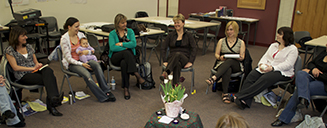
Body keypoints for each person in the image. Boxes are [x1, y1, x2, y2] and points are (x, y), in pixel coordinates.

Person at [230, 27, 298, 110]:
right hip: (267, 68)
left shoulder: (293, 49)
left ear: (286, 36)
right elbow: (265, 57)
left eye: (280, 34)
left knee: (264, 78)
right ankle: (244, 101)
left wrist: (272, 68)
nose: (277, 35)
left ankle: (239, 96)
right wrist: (261, 64)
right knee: (252, 75)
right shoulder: (274, 45)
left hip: (282, 72)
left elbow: (288, 64)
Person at [5, 26, 63, 116]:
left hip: (34, 71)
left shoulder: (28, 47)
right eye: (23, 36)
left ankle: (53, 99)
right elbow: (15, 67)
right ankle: (52, 103)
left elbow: (35, 61)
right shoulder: (10, 50)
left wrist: (37, 65)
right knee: (49, 79)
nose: (26, 37)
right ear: (16, 37)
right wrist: (31, 69)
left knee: (48, 71)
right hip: (22, 75)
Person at [61, 17, 116, 102]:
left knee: (97, 65)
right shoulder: (64, 39)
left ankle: (106, 91)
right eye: (76, 26)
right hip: (73, 64)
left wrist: (88, 52)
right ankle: (102, 97)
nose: (78, 28)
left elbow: (90, 49)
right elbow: (68, 59)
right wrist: (82, 64)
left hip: (84, 59)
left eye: (78, 26)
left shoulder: (81, 35)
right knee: (87, 75)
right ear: (69, 27)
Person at [271, 44, 327, 127]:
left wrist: (311, 72)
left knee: (300, 89)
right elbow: (311, 63)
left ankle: (283, 118)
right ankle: (303, 98)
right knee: (301, 73)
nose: (326, 45)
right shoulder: (324, 53)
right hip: (313, 78)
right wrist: (313, 69)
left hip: (324, 84)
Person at [205, 21, 246, 104]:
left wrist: (239, 57)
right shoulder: (222, 41)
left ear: (236, 30)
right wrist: (220, 57)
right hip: (223, 64)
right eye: (227, 30)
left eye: (231, 30)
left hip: (236, 64)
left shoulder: (241, 42)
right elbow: (216, 54)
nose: (229, 32)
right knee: (228, 68)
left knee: (230, 60)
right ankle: (225, 93)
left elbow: (242, 57)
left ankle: (214, 78)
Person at [109, 14, 148, 100]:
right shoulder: (112, 33)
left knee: (124, 63)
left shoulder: (130, 31)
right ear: (117, 23)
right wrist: (127, 46)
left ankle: (126, 88)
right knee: (126, 52)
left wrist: (121, 44)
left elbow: (133, 44)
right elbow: (112, 47)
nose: (125, 24)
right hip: (116, 57)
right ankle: (136, 74)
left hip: (128, 58)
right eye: (122, 23)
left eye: (125, 22)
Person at [160, 14, 197, 85]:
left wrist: (191, 61)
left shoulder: (188, 35)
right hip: (172, 59)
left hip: (184, 58)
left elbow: (194, 49)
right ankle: (175, 86)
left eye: (178, 22)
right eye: (175, 23)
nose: (176, 25)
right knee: (177, 64)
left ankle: (166, 72)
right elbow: (163, 48)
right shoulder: (170, 35)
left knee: (178, 54)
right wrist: (164, 60)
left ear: (183, 23)